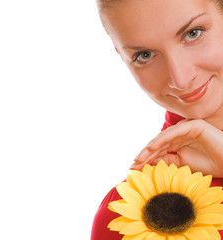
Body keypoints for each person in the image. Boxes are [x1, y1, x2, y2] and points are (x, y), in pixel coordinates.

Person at [91, 0, 223, 239]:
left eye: (193, 34)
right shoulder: (129, 219)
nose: (180, 79)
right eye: (144, 55)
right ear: (121, 56)